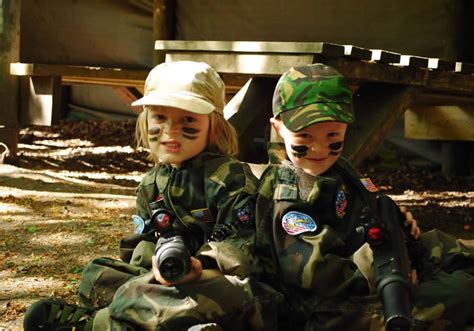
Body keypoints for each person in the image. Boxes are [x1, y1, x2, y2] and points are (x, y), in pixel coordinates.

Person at [23, 61, 282, 331]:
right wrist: (151, 266)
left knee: (147, 295)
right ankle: (147, 316)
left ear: (214, 124)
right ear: (145, 119)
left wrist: (197, 267)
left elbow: (242, 250)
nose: (171, 130)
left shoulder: (231, 178)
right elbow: (141, 242)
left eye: (188, 119)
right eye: (160, 117)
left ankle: (95, 325)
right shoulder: (152, 182)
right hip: (168, 281)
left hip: (224, 284)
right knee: (98, 273)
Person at [254, 63, 474, 330]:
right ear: (278, 128)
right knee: (459, 295)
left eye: (333, 135)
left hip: (373, 266)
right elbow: (318, 273)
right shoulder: (289, 195)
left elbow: (368, 208)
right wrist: (387, 266)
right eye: (304, 136)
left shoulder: (338, 168)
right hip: (328, 305)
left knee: (445, 246)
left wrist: (396, 226)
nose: (320, 148)